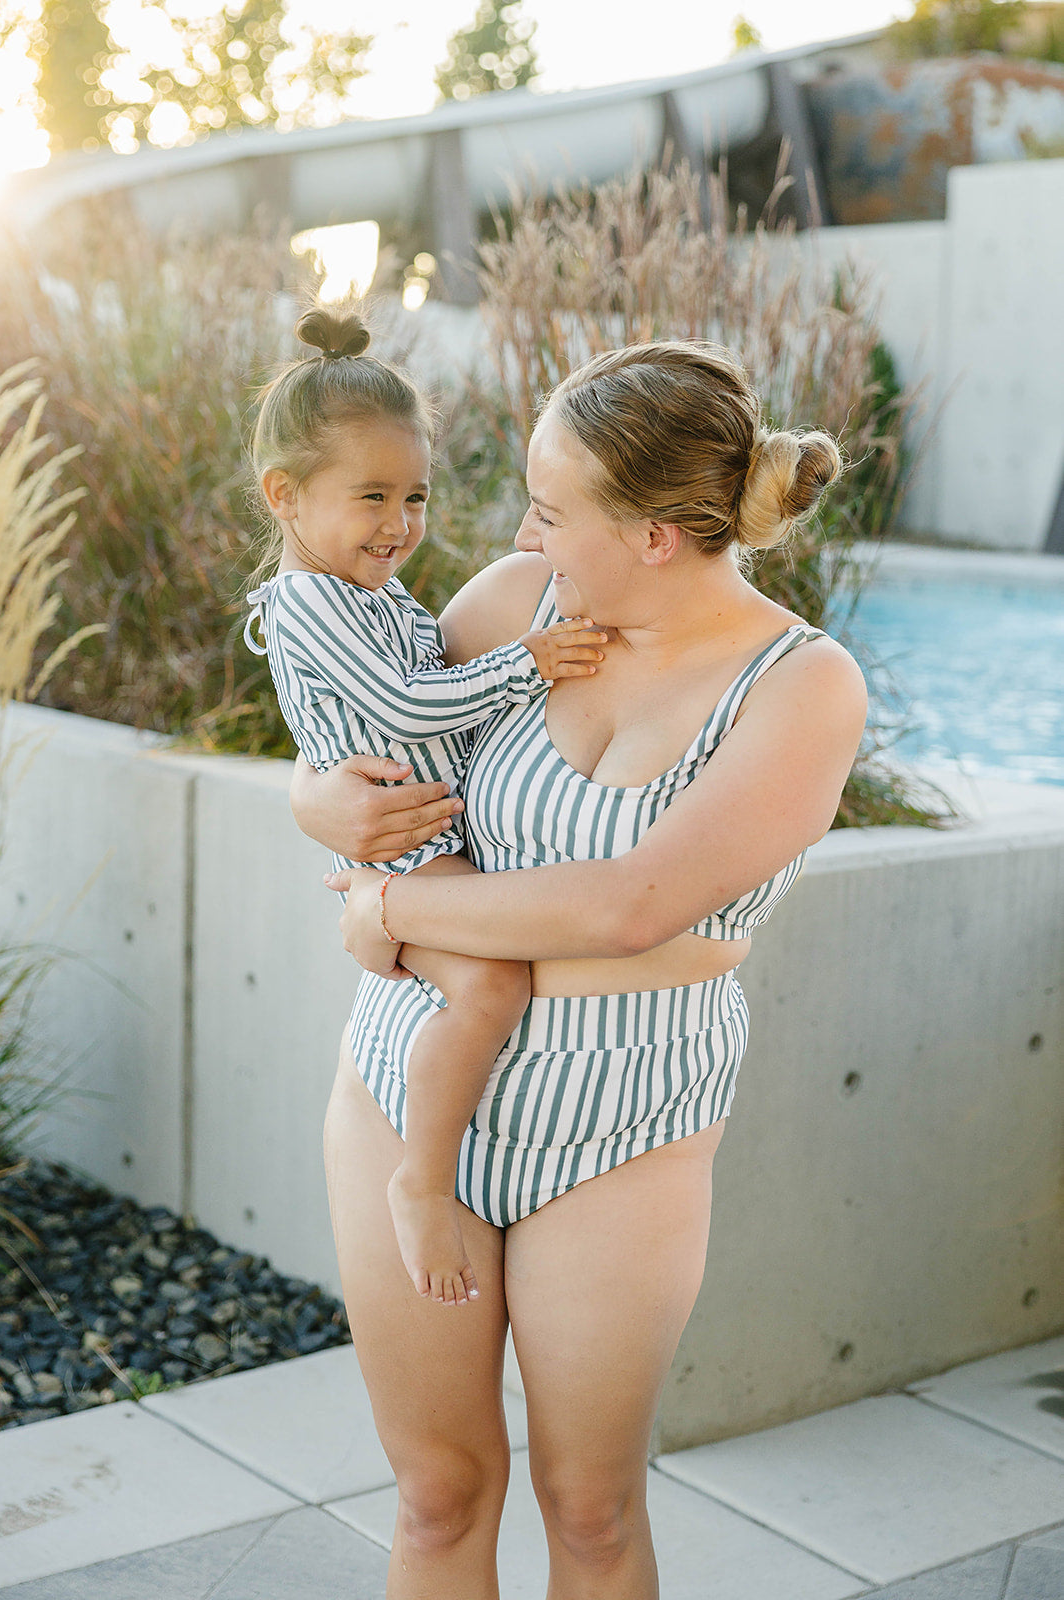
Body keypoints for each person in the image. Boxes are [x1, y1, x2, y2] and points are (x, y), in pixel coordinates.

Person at [291, 339, 868, 1599]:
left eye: (552, 511)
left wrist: (390, 903)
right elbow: (367, 750)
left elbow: (630, 904)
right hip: (406, 1077)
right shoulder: (515, 605)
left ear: (656, 533)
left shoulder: (800, 686)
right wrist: (315, 806)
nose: (524, 531)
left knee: (590, 1508)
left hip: (620, 1121)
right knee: (437, 1490)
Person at [244, 307, 609, 1307]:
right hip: (407, 851)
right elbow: (411, 701)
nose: (399, 522)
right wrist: (524, 665)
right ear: (284, 495)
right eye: (370, 496)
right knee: (490, 986)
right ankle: (424, 1177)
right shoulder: (311, 602)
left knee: (497, 974)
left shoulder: (371, 590)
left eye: (413, 495)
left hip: (423, 834)